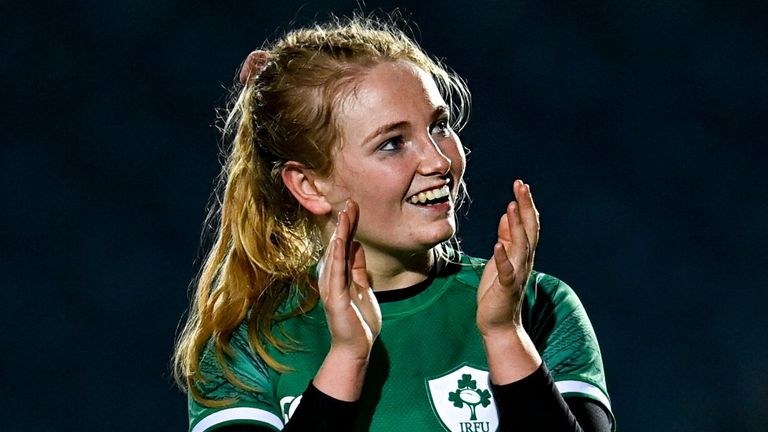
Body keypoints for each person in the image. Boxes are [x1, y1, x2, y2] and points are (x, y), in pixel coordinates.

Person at [173, 14, 615, 432]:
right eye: (392, 143)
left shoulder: (542, 306)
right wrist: (347, 359)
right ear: (309, 185)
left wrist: (503, 336)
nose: (439, 160)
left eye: (440, 126)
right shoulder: (248, 347)